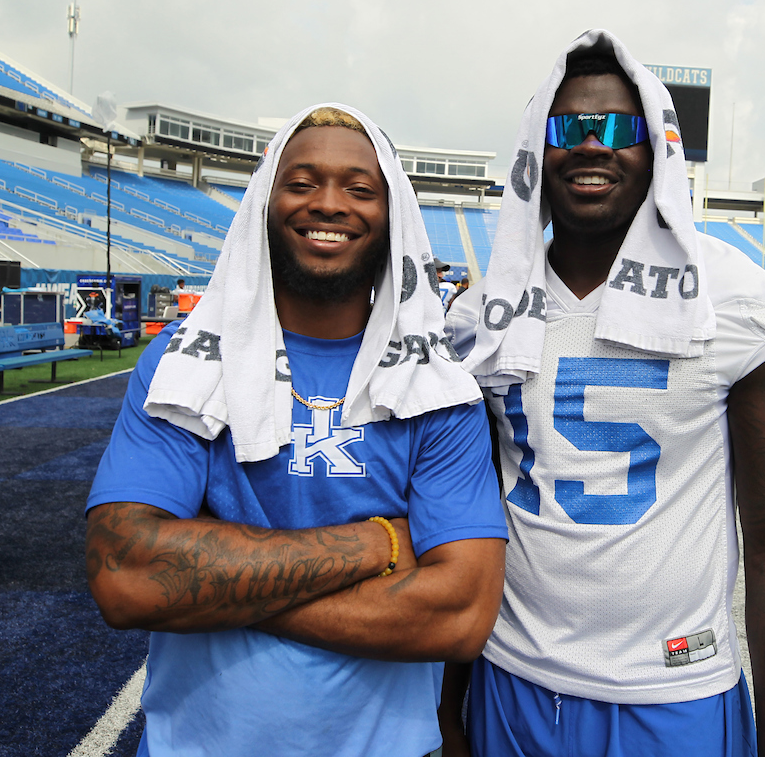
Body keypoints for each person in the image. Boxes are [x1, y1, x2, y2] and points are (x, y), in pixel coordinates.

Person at [445, 31, 765, 757]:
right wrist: (450, 712)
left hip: (670, 696)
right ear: (536, 150)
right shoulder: (479, 314)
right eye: (569, 128)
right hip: (509, 681)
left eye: (619, 128)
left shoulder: (738, 302)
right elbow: (459, 524)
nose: (592, 145)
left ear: (658, 149)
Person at [84, 105, 508, 757]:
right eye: (302, 182)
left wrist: (216, 593)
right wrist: (375, 547)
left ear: (393, 218)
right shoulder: (184, 360)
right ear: (265, 202)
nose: (330, 203)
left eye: (360, 189)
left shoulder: (438, 387)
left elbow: (457, 616)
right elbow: (125, 574)